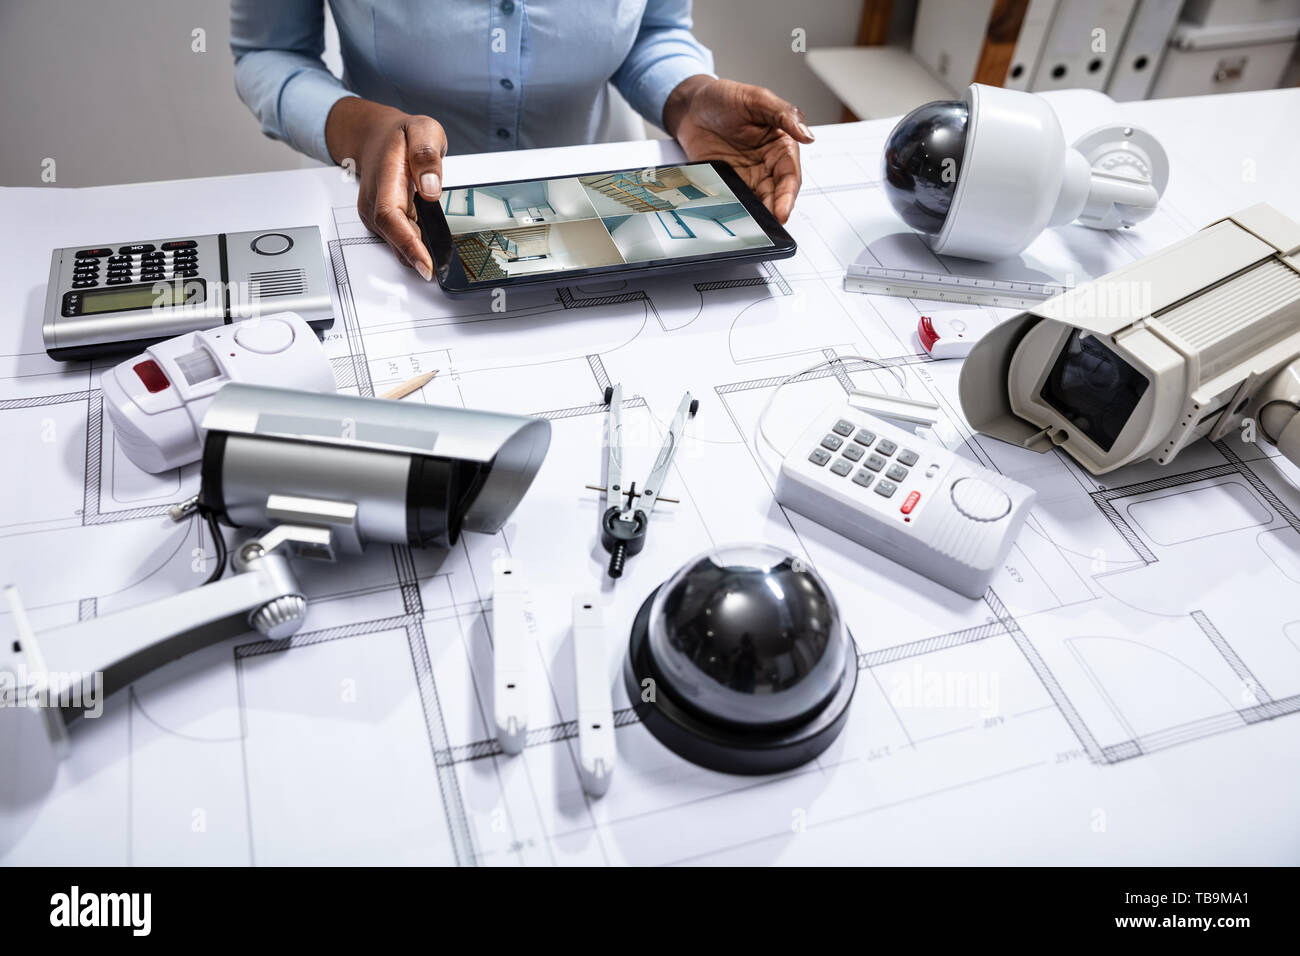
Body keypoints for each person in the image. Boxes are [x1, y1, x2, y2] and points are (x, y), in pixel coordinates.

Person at [231, 0, 812, 280]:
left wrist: (687, 100)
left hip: (607, 211)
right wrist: (364, 127)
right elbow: (269, 51)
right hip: (403, 211)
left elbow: (654, 30)